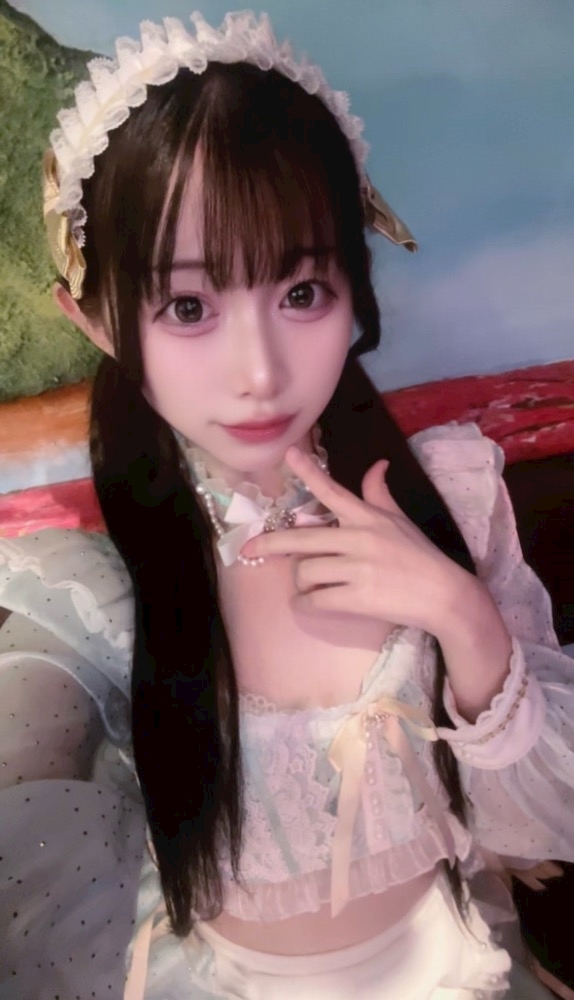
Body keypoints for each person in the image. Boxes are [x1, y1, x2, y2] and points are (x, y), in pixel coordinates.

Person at [0, 11, 572, 1000]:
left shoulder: (449, 497)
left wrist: (463, 617)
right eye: (189, 307)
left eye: (302, 292)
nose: (259, 371)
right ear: (95, 320)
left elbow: (543, 820)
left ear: (355, 277)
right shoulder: (97, 589)